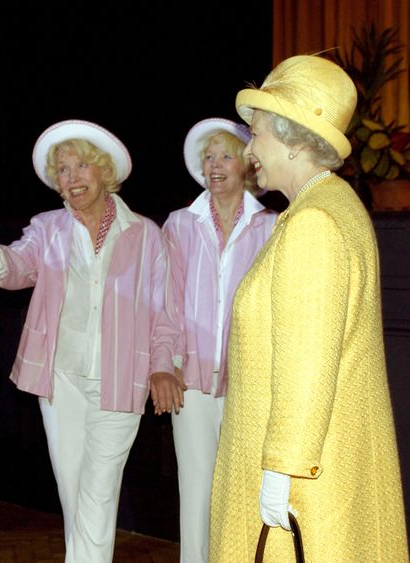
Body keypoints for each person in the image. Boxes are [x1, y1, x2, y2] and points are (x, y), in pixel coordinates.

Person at [209, 55, 409, 561]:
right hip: (331, 462)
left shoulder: (312, 224)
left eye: (257, 134)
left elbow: (307, 362)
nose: (249, 148)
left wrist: (281, 470)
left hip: (304, 485)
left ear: (295, 140)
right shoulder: (334, 205)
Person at [0, 119, 182, 563]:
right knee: (73, 490)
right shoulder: (48, 228)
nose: (73, 176)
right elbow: (17, 268)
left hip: (121, 379)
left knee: (98, 492)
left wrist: (163, 364)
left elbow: (167, 310)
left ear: (104, 172)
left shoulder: (146, 234)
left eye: (82, 165)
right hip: (61, 379)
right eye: (63, 170)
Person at [157, 118, 277, 563]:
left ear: (247, 164)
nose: (214, 165)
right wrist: (166, 363)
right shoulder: (179, 225)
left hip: (249, 382)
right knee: (197, 495)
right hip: (191, 381)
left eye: (225, 155)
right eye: (208, 157)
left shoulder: (272, 226)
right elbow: (166, 305)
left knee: (246, 492)